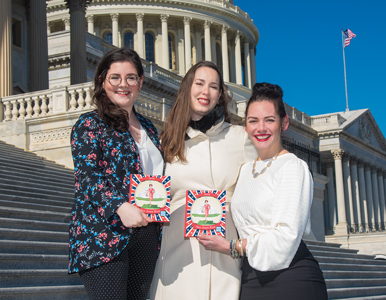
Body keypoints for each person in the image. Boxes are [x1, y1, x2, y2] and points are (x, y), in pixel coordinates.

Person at [197, 82, 328, 300]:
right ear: (245, 126)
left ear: (284, 123)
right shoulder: (246, 169)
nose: (261, 128)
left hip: (292, 279)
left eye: (269, 120)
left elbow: (286, 236)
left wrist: (232, 247)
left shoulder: (292, 167)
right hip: (250, 278)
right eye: (253, 121)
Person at [150, 61, 257, 300]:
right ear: (188, 88)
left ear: (220, 95)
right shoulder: (169, 140)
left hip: (222, 252)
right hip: (177, 252)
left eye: (213, 86)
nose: (205, 92)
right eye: (199, 83)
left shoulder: (239, 137)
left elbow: (254, 195)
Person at [68, 48, 164, 300]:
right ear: (102, 80)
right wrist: (120, 206)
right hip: (105, 234)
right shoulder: (90, 124)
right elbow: (88, 176)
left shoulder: (150, 128)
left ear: (140, 82)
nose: (124, 84)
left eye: (131, 77)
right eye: (115, 77)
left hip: (147, 233)